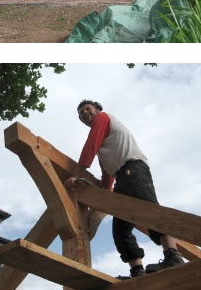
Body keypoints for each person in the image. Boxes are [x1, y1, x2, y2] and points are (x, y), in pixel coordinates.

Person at [64, 100, 185, 278]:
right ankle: (137, 271)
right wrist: (103, 198)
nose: (84, 113)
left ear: (97, 110)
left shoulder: (103, 119)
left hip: (133, 169)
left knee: (151, 211)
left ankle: (173, 255)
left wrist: (76, 174)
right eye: (80, 113)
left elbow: (90, 146)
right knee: (120, 230)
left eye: (87, 109)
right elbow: (107, 175)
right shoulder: (106, 145)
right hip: (122, 176)